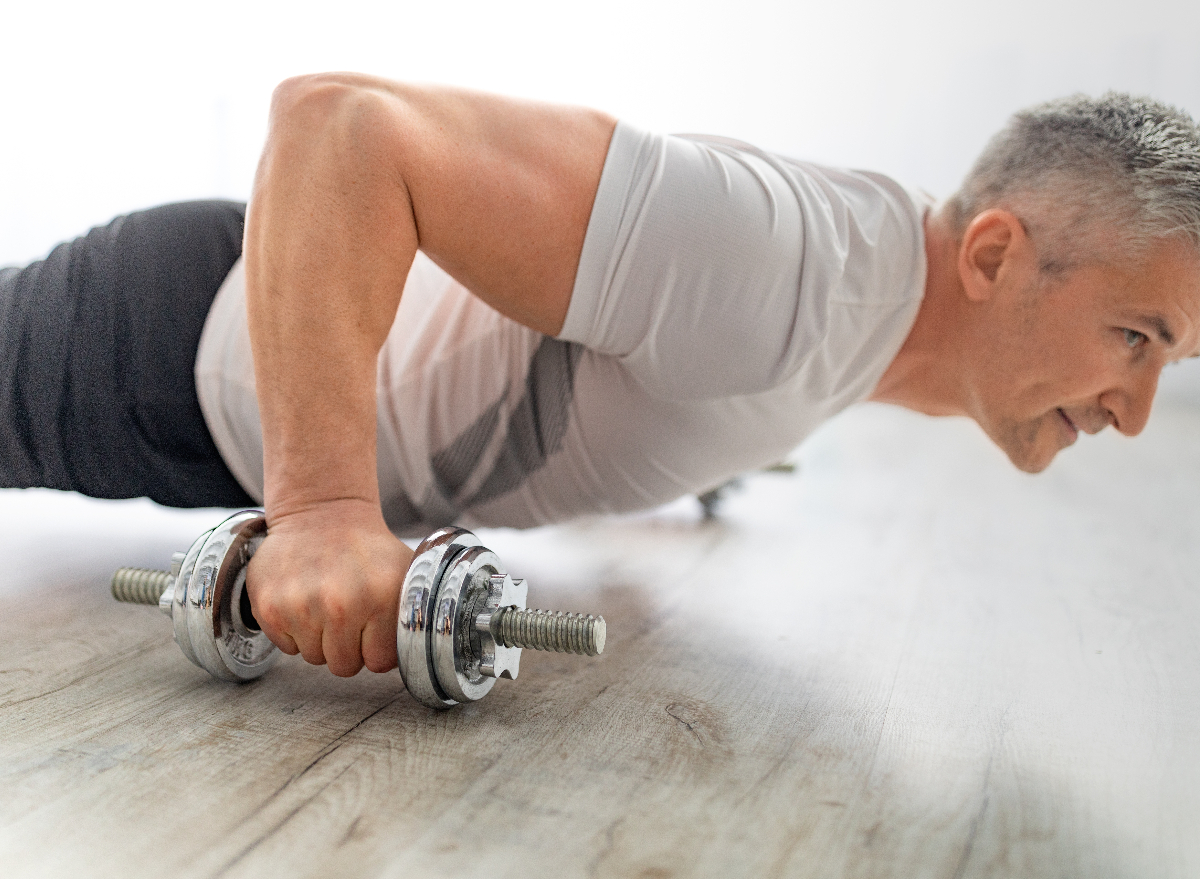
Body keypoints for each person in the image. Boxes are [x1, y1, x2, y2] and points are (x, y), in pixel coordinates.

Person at [2, 76, 1198, 679]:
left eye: (1174, 361)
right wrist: (320, 512)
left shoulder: (858, 315)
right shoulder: (792, 272)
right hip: (149, 350)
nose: (1137, 412)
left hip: (211, 359)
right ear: (994, 254)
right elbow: (339, 125)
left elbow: (686, 360)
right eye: (1135, 339)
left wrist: (702, 464)